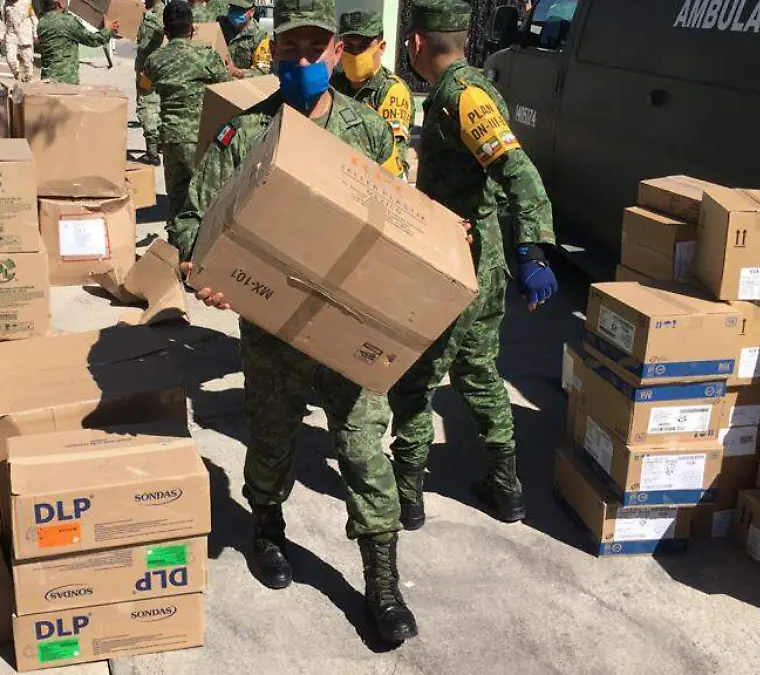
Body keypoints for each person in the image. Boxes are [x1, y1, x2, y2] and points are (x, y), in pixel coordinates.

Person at [170, 0, 420, 645]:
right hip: (271, 322)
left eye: (314, 49)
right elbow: (193, 218)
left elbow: (402, 217)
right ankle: (267, 530)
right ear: (273, 52)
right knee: (272, 434)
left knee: (362, 447)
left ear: (337, 51)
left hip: (349, 323)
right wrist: (203, 271)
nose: (302, 61)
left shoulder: (369, 130)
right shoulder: (245, 132)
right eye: (290, 50)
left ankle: (382, 582)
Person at [390, 0, 557, 530]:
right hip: (479, 261)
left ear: (416, 42)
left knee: (416, 376)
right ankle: (506, 489)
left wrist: (532, 248)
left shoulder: (461, 96)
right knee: (479, 371)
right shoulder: (468, 88)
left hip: (454, 261)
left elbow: (519, 173)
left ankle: (407, 494)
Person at [144, 0, 231, 220]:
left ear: (166, 32)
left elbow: (144, 86)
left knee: (177, 202)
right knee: (204, 201)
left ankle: (176, 239)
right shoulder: (206, 56)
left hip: (170, 138)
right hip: (197, 138)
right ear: (192, 28)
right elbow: (227, 84)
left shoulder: (154, 60)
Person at [331, 9, 414, 179]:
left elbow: (392, 154)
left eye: (363, 47)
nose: (355, 54)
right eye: (349, 47)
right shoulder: (333, 83)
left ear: (381, 47)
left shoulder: (391, 91)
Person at [35, 0, 120, 84]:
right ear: (60, 3)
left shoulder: (42, 22)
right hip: (65, 80)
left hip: (47, 78)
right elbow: (94, 40)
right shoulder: (67, 22)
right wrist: (107, 29)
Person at [135, 0, 166, 165]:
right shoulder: (158, 11)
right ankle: (159, 144)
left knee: (147, 105)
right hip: (155, 68)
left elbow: (147, 43)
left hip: (148, 72)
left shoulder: (154, 14)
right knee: (157, 104)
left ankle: (152, 152)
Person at [219, 0, 271, 78]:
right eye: (233, 8)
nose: (235, 12)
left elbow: (263, 72)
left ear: (252, 11)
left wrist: (236, 72)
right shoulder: (221, 24)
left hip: (242, 82)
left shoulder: (260, 35)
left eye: (240, 10)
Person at [0, 0, 38, 82]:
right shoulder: (5, 3)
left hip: (25, 34)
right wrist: (1, 34)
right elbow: (2, 19)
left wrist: (35, 33)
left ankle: (28, 78)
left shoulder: (27, 2)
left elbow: (34, 18)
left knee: (28, 61)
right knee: (10, 59)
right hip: (11, 34)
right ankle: (16, 74)